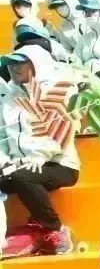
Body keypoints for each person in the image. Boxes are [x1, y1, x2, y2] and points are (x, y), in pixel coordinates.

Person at [0, 45, 80, 255]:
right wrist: (5, 160)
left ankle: (55, 229)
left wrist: (37, 157)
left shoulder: (54, 92)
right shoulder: (9, 99)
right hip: (20, 165)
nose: (13, 68)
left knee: (23, 177)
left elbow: (60, 133)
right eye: (10, 64)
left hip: (58, 164)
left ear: (37, 65)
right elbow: (3, 137)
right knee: (15, 174)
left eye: (20, 63)